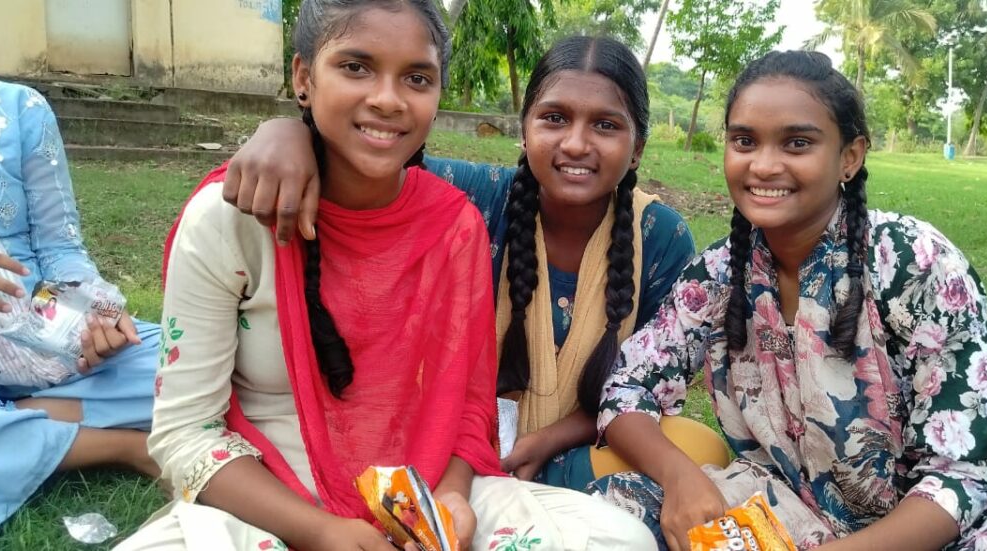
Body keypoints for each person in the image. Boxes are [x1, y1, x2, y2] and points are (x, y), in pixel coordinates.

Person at [116, 2, 655, 549]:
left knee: (620, 538)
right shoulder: (231, 218)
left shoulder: (455, 224)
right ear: (303, 77)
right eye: (356, 67)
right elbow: (185, 434)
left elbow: (470, 409)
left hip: (421, 492)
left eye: (416, 78)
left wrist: (447, 500)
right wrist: (321, 532)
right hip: (270, 501)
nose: (387, 99)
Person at [591, 51, 987, 551]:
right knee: (617, 518)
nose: (764, 165)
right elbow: (628, 387)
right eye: (744, 141)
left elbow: (961, 476)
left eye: (797, 143)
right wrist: (680, 478)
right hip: (797, 510)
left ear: (850, 156)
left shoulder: (914, 261)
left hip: (963, 524)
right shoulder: (723, 271)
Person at [216, 35, 718, 490]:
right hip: (456, 453)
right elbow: (367, 162)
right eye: (554, 118)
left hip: (583, 449)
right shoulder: (471, 198)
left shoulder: (660, 235)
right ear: (523, 130)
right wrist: (288, 132)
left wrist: (550, 438)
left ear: (637, 150)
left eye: (606, 125)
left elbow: (647, 387)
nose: (576, 144)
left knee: (701, 448)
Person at [0, 35, 159, 547]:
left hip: (38, 331)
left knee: (203, 362)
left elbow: (60, 249)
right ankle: (121, 446)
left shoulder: (16, 108)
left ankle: (15, 423)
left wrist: (97, 314)